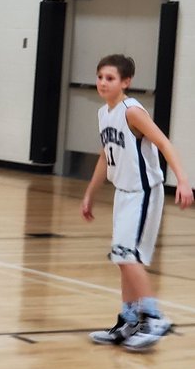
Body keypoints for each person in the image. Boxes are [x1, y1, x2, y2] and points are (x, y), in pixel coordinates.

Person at [81, 53, 193, 351]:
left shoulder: (132, 111)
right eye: (100, 77)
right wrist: (91, 193)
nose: (103, 83)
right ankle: (129, 319)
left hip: (143, 193)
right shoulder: (104, 113)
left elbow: (164, 143)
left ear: (126, 82)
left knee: (128, 256)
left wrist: (183, 180)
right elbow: (105, 156)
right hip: (123, 193)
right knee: (122, 258)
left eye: (110, 78)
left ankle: (154, 317)